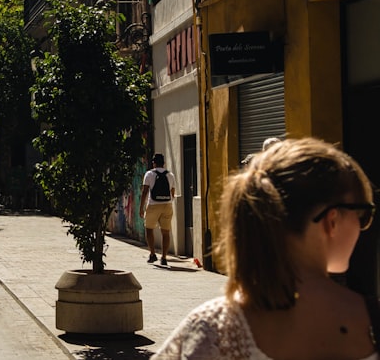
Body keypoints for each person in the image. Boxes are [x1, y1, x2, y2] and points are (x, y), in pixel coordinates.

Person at [154, 137, 379, 360]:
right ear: (332, 221)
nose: (362, 226)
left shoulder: (212, 329)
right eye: (362, 214)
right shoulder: (370, 322)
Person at [140, 153, 177, 266]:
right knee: (165, 232)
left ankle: (152, 254)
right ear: (164, 163)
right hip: (167, 205)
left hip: (153, 205)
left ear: (153, 163)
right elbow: (172, 192)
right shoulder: (170, 175)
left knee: (149, 229)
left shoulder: (149, 174)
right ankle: (164, 257)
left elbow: (145, 191)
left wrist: (141, 207)